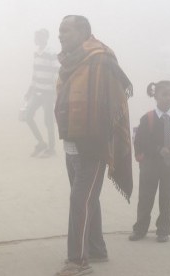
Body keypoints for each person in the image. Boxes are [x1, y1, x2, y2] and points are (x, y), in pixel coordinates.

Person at [54, 15, 133, 276]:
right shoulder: (68, 61)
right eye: (60, 32)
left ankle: (78, 261)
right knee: (87, 199)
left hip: (93, 143)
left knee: (80, 199)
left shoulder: (101, 59)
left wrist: (100, 138)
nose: (61, 36)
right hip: (72, 141)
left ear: (84, 32)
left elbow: (113, 99)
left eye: (66, 31)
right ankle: (97, 249)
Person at [129, 81, 170, 243]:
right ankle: (140, 229)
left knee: (166, 198)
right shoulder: (147, 118)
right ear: (155, 96)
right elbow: (140, 141)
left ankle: (163, 230)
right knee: (145, 198)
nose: (168, 98)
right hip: (150, 166)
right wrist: (157, 149)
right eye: (164, 95)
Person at [24, 29, 59, 157]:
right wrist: (29, 90)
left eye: (37, 37)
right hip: (37, 91)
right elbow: (35, 74)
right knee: (28, 116)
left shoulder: (51, 53)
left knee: (48, 120)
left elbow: (56, 72)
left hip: (48, 93)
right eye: (35, 36)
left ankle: (51, 149)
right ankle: (41, 143)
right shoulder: (36, 54)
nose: (35, 39)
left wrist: (56, 92)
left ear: (44, 38)